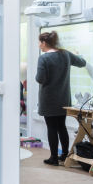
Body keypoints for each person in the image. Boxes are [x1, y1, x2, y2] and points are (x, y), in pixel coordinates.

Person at [35, 31, 86, 166]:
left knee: (51, 127)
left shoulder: (44, 59)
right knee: (61, 126)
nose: (39, 45)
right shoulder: (65, 54)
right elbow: (82, 63)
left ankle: (53, 158)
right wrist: (77, 54)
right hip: (63, 99)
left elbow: (40, 79)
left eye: (40, 42)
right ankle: (64, 155)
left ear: (44, 43)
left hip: (48, 100)